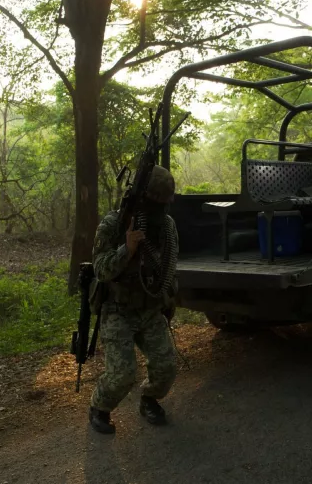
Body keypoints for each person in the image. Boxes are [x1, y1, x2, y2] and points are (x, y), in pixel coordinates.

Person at [88, 165, 179, 434]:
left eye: (164, 203)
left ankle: (149, 400)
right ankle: (99, 408)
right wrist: (127, 249)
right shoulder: (113, 225)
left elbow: (169, 266)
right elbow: (101, 270)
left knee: (166, 367)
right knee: (122, 374)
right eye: (156, 202)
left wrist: (168, 299)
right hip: (118, 309)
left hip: (150, 308)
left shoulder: (166, 226)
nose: (160, 209)